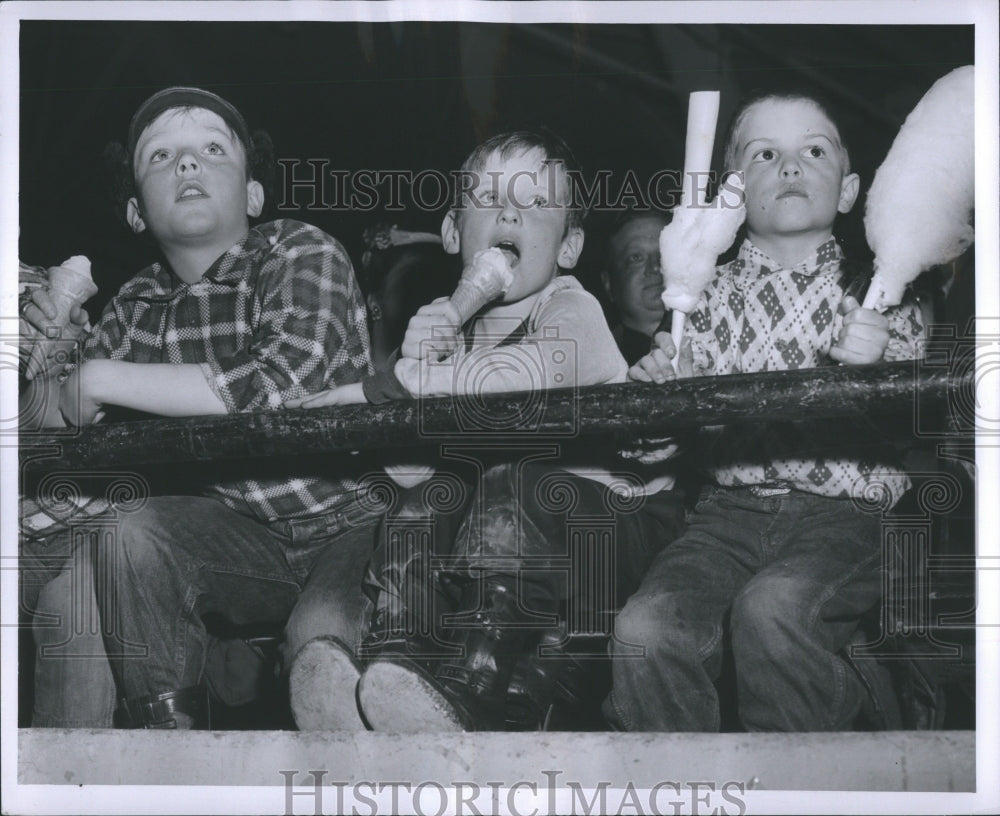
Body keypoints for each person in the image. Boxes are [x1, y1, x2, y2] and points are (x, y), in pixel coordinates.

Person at [290, 129, 686, 731]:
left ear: (570, 245)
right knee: (420, 505)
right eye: (490, 199)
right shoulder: (451, 345)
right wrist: (419, 367)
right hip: (514, 555)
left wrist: (386, 387)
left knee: (513, 481)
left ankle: (475, 681)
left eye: (534, 205)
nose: (509, 211)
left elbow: (518, 379)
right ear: (453, 233)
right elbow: (410, 470)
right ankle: (399, 667)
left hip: (612, 532)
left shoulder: (572, 308)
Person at [20, 87, 380, 729]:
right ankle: (168, 744)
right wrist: (42, 348)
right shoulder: (136, 303)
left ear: (252, 195)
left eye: (212, 149)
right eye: (161, 156)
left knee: (317, 643)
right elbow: (62, 417)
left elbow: (280, 386)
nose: (187, 164)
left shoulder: (297, 249)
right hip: (242, 538)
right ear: (136, 212)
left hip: (350, 522)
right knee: (129, 532)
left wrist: (100, 376)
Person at [607, 89, 925, 732]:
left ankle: (822, 754)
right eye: (763, 154)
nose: (789, 165)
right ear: (732, 194)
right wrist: (664, 406)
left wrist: (880, 368)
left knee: (773, 609)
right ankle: (681, 789)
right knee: (644, 627)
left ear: (848, 190)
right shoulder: (697, 299)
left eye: (813, 150)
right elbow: (669, 444)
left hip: (848, 515)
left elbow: (921, 413)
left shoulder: (880, 292)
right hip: (726, 517)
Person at [601, 209, 671, 365]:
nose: (655, 267)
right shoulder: (595, 363)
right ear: (609, 283)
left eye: (664, 253)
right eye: (636, 258)